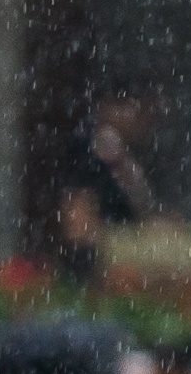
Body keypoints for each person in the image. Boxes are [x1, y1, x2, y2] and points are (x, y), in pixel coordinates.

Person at [52, 84, 170, 285]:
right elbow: (78, 220)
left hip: (129, 255)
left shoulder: (136, 152)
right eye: (128, 108)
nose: (138, 117)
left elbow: (142, 206)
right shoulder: (87, 150)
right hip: (106, 262)